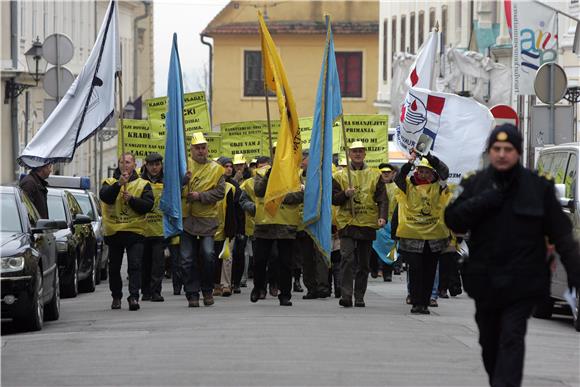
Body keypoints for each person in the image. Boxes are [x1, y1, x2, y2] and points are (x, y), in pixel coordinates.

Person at [444, 124, 580, 387]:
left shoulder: (539, 187)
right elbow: (452, 220)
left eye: (508, 149)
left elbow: (563, 236)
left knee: (512, 337)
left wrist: (575, 275)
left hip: (523, 283)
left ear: (517, 152)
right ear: (490, 152)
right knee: (489, 343)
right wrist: (484, 201)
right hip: (486, 282)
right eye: (497, 149)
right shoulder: (475, 183)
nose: (502, 154)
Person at [332, 141, 388, 308]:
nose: (357, 154)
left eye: (360, 151)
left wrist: (382, 217)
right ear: (349, 154)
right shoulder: (340, 176)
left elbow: (382, 199)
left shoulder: (375, 175)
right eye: (354, 151)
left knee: (364, 263)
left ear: (364, 154)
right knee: (347, 259)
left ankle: (360, 296)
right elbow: (334, 199)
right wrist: (344, 194)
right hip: (347, 223)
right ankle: (346, 295)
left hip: (367, 223)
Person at [394, 151, 450, 314]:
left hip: (433, 239)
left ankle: (425, 303)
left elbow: (445, 172)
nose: (423, 174)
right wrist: (409, 163)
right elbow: (398, 178)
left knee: (430, 271)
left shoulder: (438, 186)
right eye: (421, 171)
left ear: (432, 172)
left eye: (427, 171)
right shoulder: (408, 185)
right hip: (413, 238)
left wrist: (431, 158)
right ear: (416, 171)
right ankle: (416, 301)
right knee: (415, 270)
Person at [100, 153, 154, 311]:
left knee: (135, 265)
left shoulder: (143, 184)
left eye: (128, 162)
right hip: (114, 231)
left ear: (134, 165)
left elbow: (148, 206)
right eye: (122, 162)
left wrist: (132, 199)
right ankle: (116, 296)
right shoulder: (109, 182)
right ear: (118, 164)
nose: (125, 165)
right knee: (114, 267)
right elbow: (106, 197)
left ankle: (134, 297)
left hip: (135, 230)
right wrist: (118, 185)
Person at [180, 132, 225, 308]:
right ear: (191, 150)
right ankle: (192, 293)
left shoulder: (216, 169)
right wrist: (184, 181)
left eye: (203, 148)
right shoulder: (184, 165)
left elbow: (220, 192)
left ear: (207, 149)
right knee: (187, 259)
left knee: (207, 255)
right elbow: (171, 187)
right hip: (187, 219)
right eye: (197, 148)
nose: (200, 151)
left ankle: (207, 290)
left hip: (207, 220)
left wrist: (200, 196)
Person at [252, 154, 303, 306]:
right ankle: (258, 287)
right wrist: (269, 177)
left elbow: (300, 195)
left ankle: (285, 294)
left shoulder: (295, 174)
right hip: (265, 223)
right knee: (260, 260)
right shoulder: (261, 173)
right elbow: (259, 191)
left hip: (286, 224)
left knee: (285, 262)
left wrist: (279, 196)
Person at [140, 152, 165, 302]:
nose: (154, 168)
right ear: (146, 166)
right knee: (144, 261)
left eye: (157, 164)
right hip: (142, 228)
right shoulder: (140, 181)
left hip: (160, 229)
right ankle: (145, 290)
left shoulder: (167, 180)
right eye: (151, 165)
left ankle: (156, 291)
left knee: (158, 262)